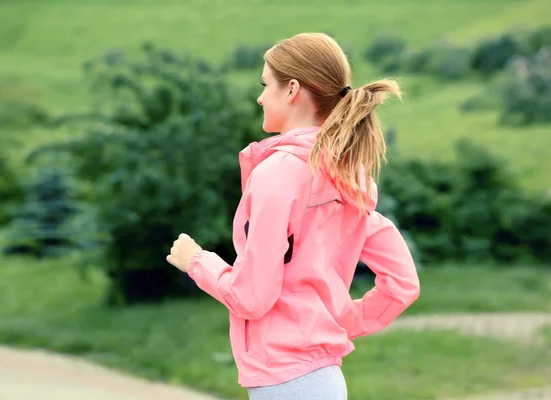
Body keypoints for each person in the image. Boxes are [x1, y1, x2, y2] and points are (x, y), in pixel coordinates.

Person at [166, 32, 420, 400]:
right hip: (324, 380)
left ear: (292, 90)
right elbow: (403, 282)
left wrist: (198, 262)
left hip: (285, 382)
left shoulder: (276, 175)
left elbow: (253, 296)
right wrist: (341, 320)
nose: (260, 97)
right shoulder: (350, 177)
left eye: (266, 85)